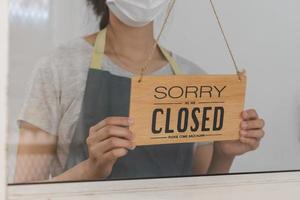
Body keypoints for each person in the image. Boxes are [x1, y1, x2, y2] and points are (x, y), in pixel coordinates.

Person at [14, 0, 265, 183]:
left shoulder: (194, 79)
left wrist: (223, 155)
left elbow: (201, 189)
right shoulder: (57, 69)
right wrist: (90, 170)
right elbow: (23, 191)